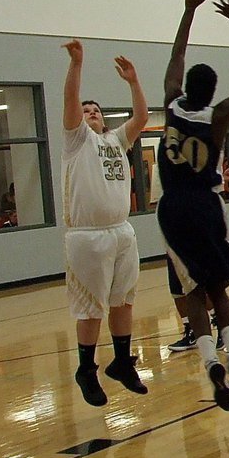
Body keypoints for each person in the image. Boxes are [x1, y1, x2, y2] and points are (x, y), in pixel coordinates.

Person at [157, 0, 229, 412]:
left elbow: (176, 55)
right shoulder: (219, 115)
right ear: (214, 92)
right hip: (206, 205)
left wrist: (189, 11)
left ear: (186, 88)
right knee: (219, 286)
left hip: (171, 209)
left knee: (192, 291)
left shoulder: (169, 103)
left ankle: (210, 364)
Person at [61, 39, 149, 407]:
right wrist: (77, 65)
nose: (91, 112)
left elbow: (141, 117)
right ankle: (86, 369)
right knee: (92, 308)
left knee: (123, 301)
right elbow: (70, 102)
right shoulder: (77, 140)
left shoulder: (115, 139)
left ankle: (122, 363)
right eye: (86, 110)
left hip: (121, 232)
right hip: (87, 236)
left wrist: (133, 82)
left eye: (96, 110)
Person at [160, 160, 229, 353]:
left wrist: (219, 180)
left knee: (204, 287)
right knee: (176, 289)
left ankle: (220, 327)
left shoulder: (196, 155)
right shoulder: (168, 165)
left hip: (197, 230)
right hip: (173, 226)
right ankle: (191, 330)